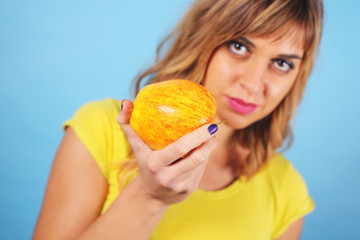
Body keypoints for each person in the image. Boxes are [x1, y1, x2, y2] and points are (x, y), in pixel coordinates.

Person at [33, 0, 324, 239]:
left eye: (282, 63)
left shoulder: (287, 191)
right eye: (239, 46)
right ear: (202, 37)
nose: (253, 83)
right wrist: (149, 196)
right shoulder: (100, 130)